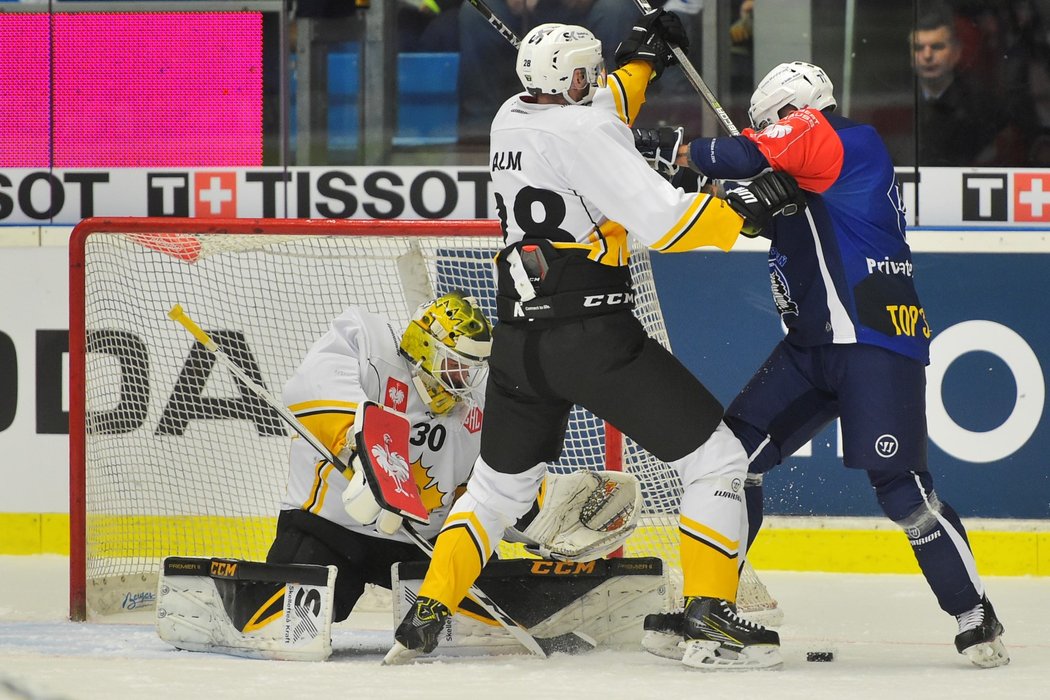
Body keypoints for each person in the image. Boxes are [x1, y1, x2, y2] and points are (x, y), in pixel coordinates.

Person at [387, 11, 806, 665]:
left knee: (497, 492)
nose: (602, 77)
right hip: (592, 340)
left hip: (520, 342)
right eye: (596, 69)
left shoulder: (509, 119)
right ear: (575, 76)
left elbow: (602, 107)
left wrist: (642, 61)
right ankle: (711, 617)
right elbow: (666, 222)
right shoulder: (588, 131)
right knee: (717, 460)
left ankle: (429, 610)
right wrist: (746, 208)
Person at [646, 60, 1009, 669]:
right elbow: (735, 196)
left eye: (774, 127)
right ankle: (712, 604)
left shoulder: (845, 138)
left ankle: (975, 614)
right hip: (809, 350)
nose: (770, 139)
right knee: (730, 458)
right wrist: (710, 185)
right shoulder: (800, 167)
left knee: (904, 495)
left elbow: (736, 158)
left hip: (873, 343)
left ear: (799, 111)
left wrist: (672, 143)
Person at [457, 0, 640, 143]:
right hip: (524, 10)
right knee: (474, 13)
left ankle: (610, 117)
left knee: (615, 10)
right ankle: (483, 128)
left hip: (587, 10)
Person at [909, 2, 1035, 165]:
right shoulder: (897, 102)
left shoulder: (983, 109)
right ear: (910, 55)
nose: (927, 55)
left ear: (956, 53)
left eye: (937, 46)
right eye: (918, 47)